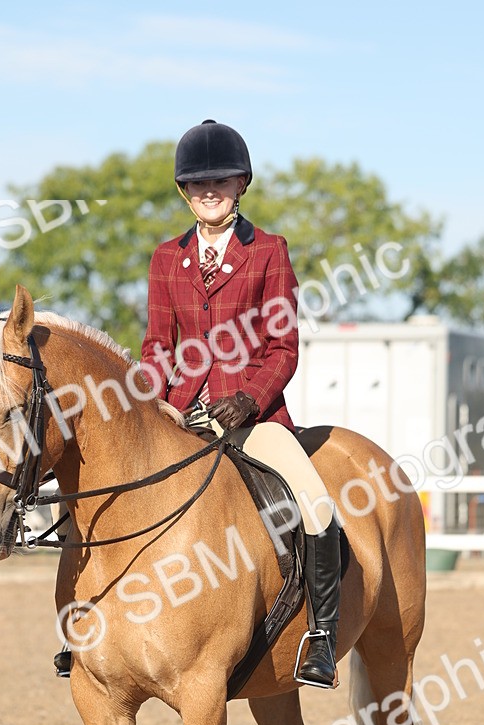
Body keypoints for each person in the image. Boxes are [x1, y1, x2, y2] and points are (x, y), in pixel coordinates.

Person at [140, 119, 341, 688]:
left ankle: (321, 636)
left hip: (253, 419)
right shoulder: (166, 258)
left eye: (221, 181)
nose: (210, 191)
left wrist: (249, 399)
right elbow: (157, 347)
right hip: (182, 414)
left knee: (315, 504)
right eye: (198, 183)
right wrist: (155, 403)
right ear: (185, 190)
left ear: (241, 184)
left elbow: (284, 347)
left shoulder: (269, 251)